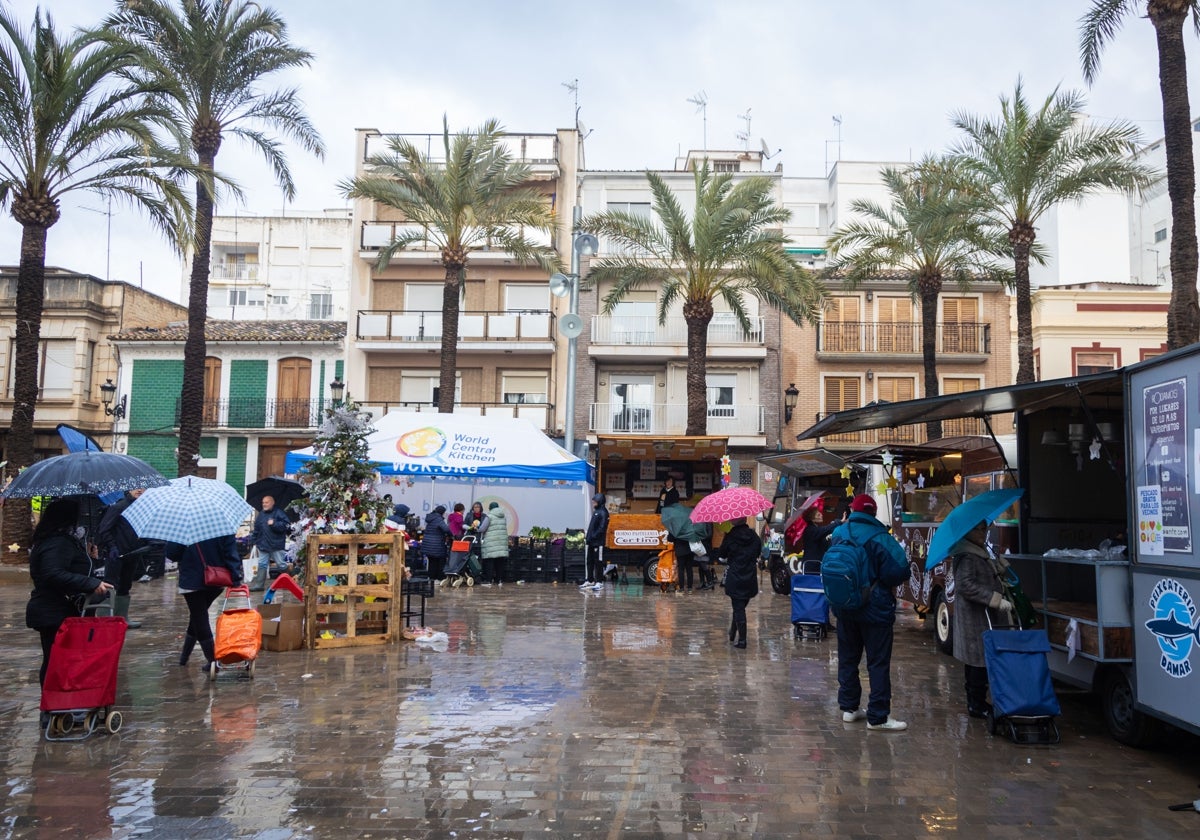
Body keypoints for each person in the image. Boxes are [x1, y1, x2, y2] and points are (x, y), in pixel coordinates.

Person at [831, 494, 911, 732]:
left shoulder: (838, 534)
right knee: (877, 662)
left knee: (848, 659)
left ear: (853, 511)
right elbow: (900, 570)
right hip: (875, 609)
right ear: (874, 513)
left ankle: (850, 708)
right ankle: (878, 716)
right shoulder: (880, 538)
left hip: (844, 606)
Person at [26, 498, 114, 688]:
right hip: (54, 611)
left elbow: (74, 568)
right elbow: (53, 573)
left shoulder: (62, 541)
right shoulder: (56, 542)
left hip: (62, 609)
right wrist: (90, 583)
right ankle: (51, 707)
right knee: (55, 660)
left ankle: (59, 705)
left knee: (61, 659)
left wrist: (91, 558)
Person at [949, 520, 1015, 718]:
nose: (982, 532)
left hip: (983, 617)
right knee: (978, 661)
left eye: (984, 528)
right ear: (968, 532)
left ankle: (976, 702)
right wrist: (994, 599)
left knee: (979, 659)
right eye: (977, 529)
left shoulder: (979, 551)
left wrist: (998, 569)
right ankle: (976, 704)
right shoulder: (967, 555)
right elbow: (965, 585)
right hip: (975, 617)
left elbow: (982, 577)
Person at [168, 535, 244, 671]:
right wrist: (235, 576)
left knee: (199, 617)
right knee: (197, 617)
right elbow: (230, 552)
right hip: (216, 578)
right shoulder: (220, 524)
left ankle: (213, 661)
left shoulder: (183, 527)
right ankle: (184, 658)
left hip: (192, 580)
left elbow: (172, 554)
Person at [95, 487, 148, 628]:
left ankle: (121, 618)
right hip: (116, 554)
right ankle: (105, 618)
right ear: (129, 490)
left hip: (133, 554)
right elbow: (104, 529)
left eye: (143, 488)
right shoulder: (119, 506)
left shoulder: (143, 509)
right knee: (110, 584)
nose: (140, 490)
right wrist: (112, 547)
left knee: (125, 585)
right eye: (136, 487)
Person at [717, 516, 761, 648]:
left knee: (738, 607)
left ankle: (742, 640)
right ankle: (732, 632)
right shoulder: (754, 536)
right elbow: (758, 551)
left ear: (733, 521)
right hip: (750, 576)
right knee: (740, 605)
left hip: (735, 576)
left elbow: (722, 554)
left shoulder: (730, 536)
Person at [249, 495, 291, 592]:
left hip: (276, 544)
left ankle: (289, 582)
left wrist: (274, 523)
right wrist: (254, 540)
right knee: (262, 564)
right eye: (263, 502)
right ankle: (259, 585)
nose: (264, 504)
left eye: (266, 502)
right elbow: (257, 528)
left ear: (272, 502)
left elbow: (286, 526)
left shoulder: (279, 513)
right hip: (263, 545)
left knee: (281, 564)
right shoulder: (261, 515)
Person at [581, 493, 609, 591]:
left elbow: (602, 528)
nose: (593, 503)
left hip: (599, 543)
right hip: (591, 542)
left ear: (600, 501)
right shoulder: (597, 511)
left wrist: (593, 536)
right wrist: (589, 537)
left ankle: (599, 582)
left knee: (598, 562)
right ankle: (590, 580)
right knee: (589, 561)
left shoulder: (604, 513)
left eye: (595, 501)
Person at [479, 501, 509, 586]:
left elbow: (482, 529)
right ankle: (499, 580)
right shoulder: (503, 517)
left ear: (490, 508)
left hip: (491, 542)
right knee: (499, 562)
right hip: (501, 541)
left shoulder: (489, 516)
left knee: (489, 562)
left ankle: (488, 581)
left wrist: (477, 527)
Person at [421, 505, 452, 580]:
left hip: (428, 544)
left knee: (432, 562)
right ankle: (439, 578)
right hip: (436, 545)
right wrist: (451, 534)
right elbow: (446, 529)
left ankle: (431, 578)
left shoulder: (430, 518)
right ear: (442, 512)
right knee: (440, 561)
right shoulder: (438, 519)